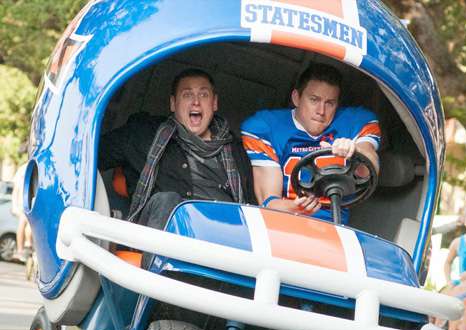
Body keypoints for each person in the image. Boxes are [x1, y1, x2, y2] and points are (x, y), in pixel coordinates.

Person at [98, 68, 254, 267]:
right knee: (167, 200)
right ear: (173, 103)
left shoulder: (238, 151)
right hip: (167, 243)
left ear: (214, 103)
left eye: (203, 95)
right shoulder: (144, 135)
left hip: (222, 243)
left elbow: (253, 207)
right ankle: (160, 277)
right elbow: (89, 155)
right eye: (187, 95)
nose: (196, 102)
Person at [241, 63, 380, 223]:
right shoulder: (265, 126)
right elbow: (269, 203)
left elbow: (369, 169)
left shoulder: (357, 121)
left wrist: (354, 152)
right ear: (296, 98)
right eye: (314, 100)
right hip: (284, 222)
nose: (321, 111)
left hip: (335, 227)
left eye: (330, 103)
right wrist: (295, 208)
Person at [11, 162, 33, 263]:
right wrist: (14, 205)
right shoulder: (26, 167)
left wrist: (14, 205)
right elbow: (16, 190)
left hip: (25, 202)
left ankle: (23, 248)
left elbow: (15, 190)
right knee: (26, 223)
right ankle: (26, 246)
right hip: (27, 202)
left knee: (25, 223)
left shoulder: (22, 168)